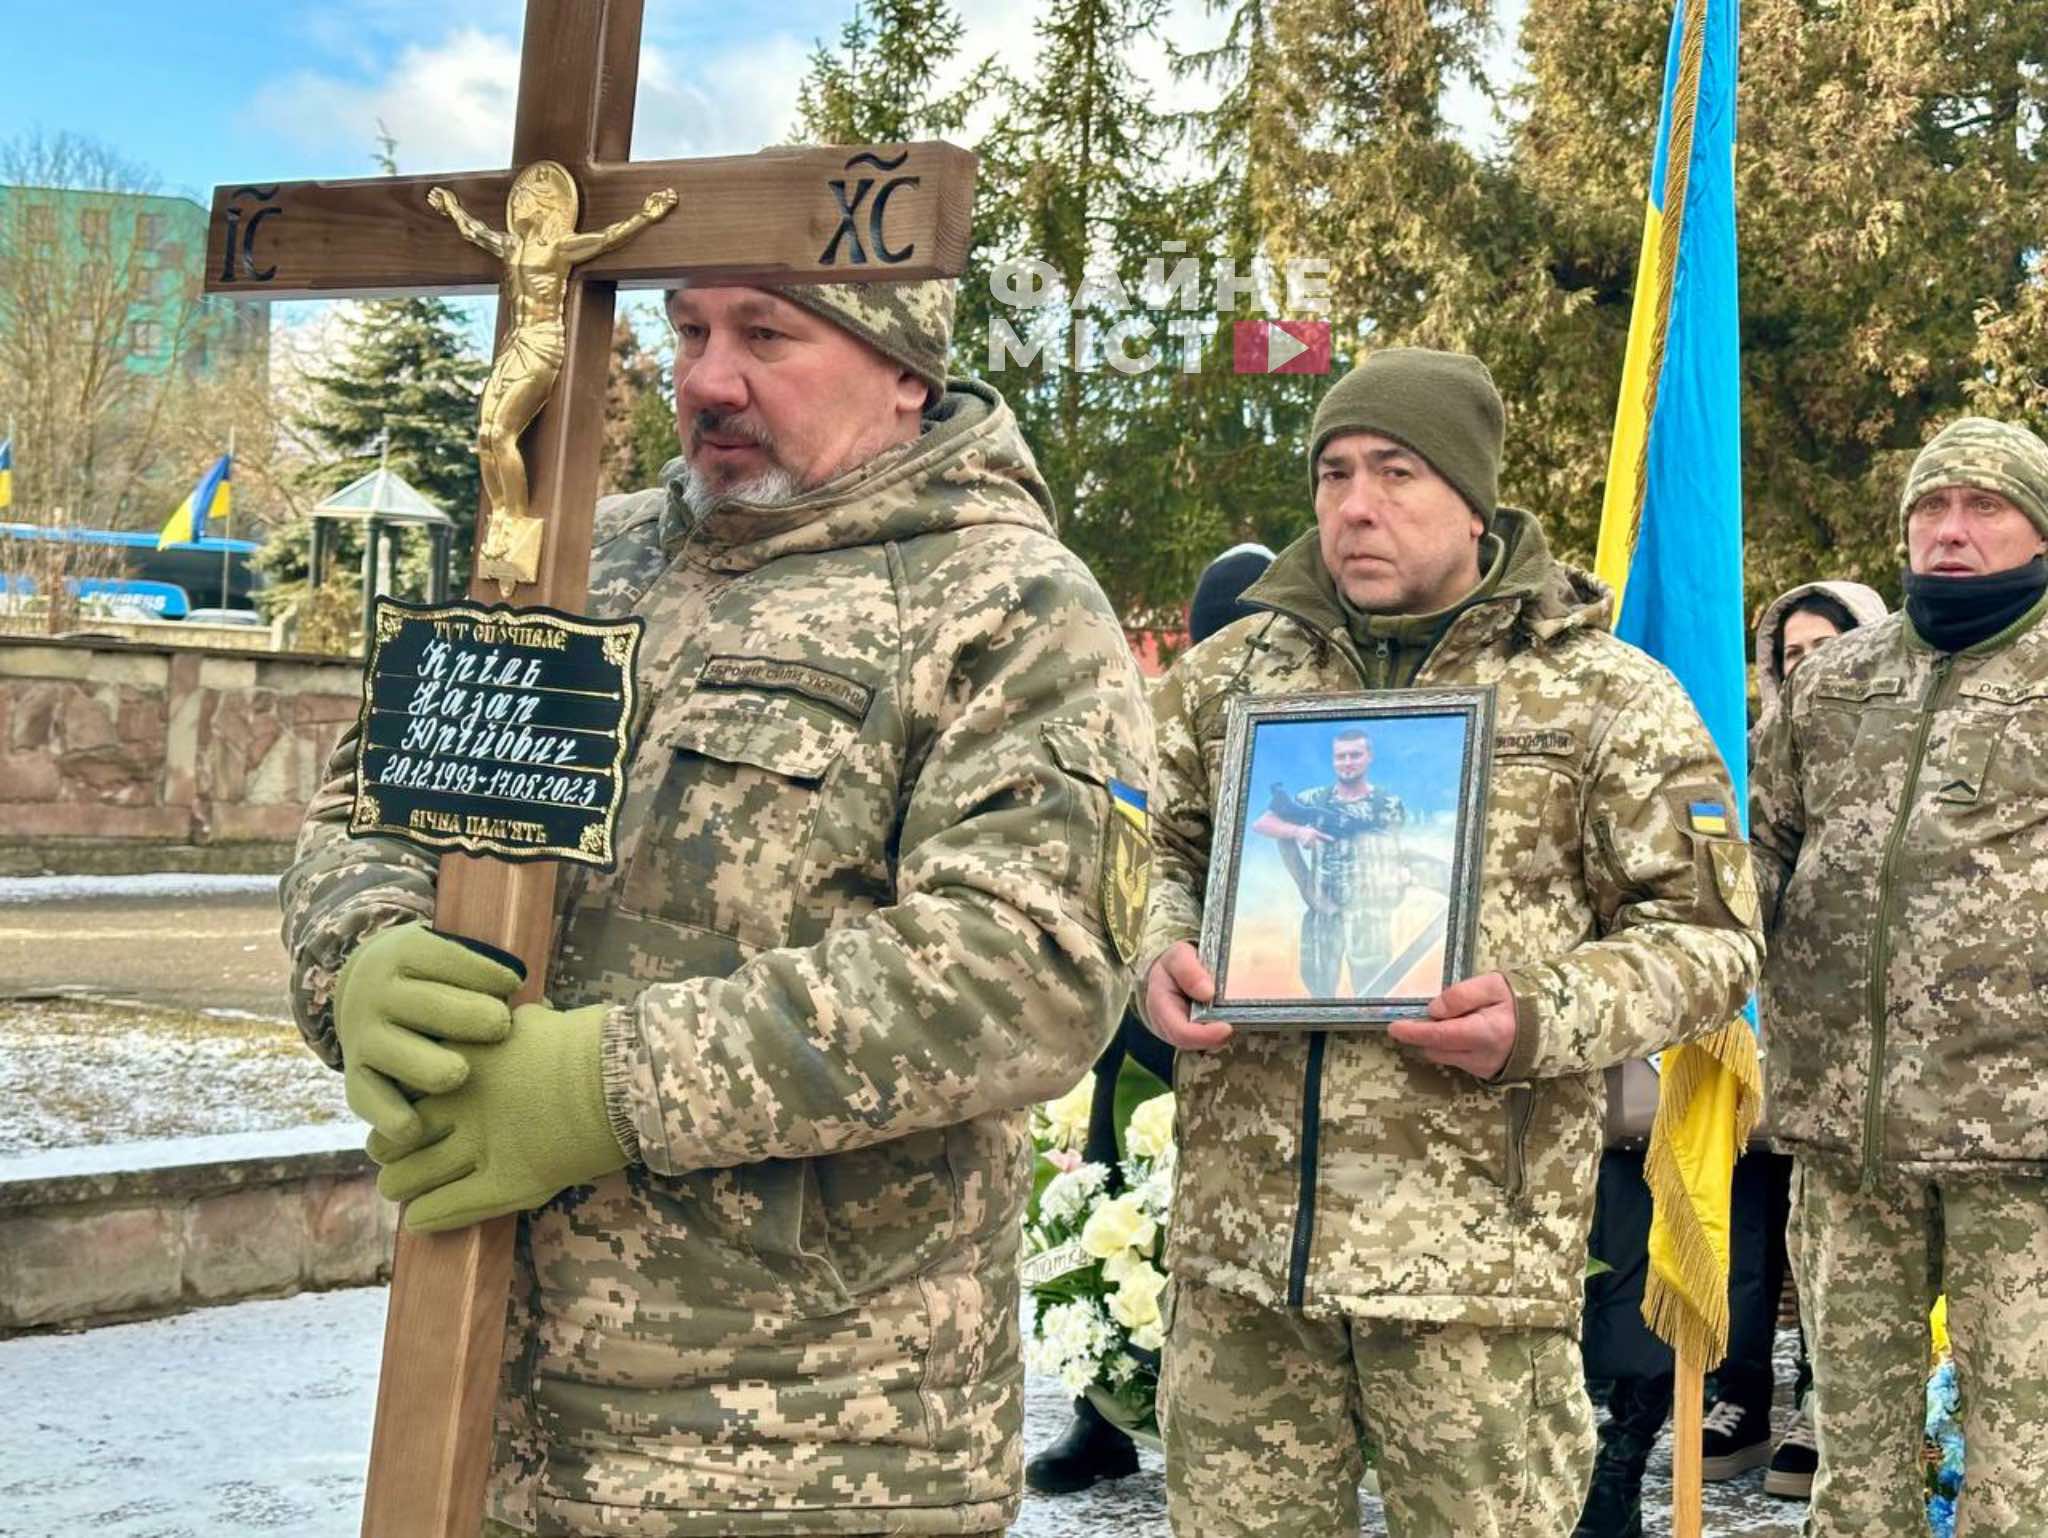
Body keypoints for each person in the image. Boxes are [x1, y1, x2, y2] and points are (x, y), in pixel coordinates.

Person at [279, 269, 1155, 1537]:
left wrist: (601, 1087)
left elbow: (1025, 967)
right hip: (479, 1404)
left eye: (765, 335)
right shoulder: (569, 556)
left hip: (808, 1452)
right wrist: (360, 952)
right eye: (688, 329)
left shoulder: (1010, 603)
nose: (705, 379)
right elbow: (370, 801)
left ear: (903, 370)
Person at [1138, 346, 1765, 1538]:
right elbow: (1151, 855)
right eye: (1331, 472)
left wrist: (1537, 1013)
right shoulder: (1226, 682)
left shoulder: (1603, 697)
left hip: (1470, 1271)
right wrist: (1159, 943)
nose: (1353, 505)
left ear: (1472, 501)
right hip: (1242, 1269)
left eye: (1395, 471)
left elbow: (1709, 934)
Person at [1750, 415, 2048, 1538]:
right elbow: (1761, 847)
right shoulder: (1831, 681)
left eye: (1984, 507)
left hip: (2018, 1147)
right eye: (1931, 507)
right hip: (1848, 1136)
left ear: (2036, 528)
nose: (1950, 531)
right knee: (1853, 1475)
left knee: (2022, 1474)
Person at [1572, 572, 1889, 1538]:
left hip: (1852, 1044)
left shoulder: (1897, 743)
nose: (1809, 669)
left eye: (1828, 649)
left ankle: (1820, 1405)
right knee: (1732, 1213)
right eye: (1792, 655)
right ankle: (1735, 1395)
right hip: (1735, 1020)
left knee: (1821, 1235)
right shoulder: (1737, 753)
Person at [1026, 541, 1272, 1497]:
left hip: (1268, 1004)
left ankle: (1238, 1417)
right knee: (1116, 1194)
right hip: (1145, 1004)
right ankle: (1101, 1414)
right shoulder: (1151, 726)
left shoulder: (1308, 720)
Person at [1252, 728, 1410, 997]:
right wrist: (1298, 832)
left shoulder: (1388, 803)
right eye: (1341, 756)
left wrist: (1397, 883)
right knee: (1319, 989)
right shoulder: (1314, 800)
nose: (1347, 762)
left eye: (1355, 755)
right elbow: (1263, 823)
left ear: (1369, 757)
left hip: (1369, 913)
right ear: (1333, 760)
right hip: (1323, 908)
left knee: (1373, 991)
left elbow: (1393, 849)